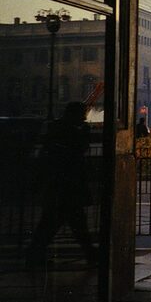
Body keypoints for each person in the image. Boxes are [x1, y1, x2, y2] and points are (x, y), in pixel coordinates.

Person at [27, 102, 97, 265]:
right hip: (67, 186)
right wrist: (85, 134)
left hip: (58, 186)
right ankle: (90, 254)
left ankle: (34, 254)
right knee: (72, 224)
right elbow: (78, 150)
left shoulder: (57, 129)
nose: (84, 118)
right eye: (82, 114)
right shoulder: (71, 132)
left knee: (54, 223)